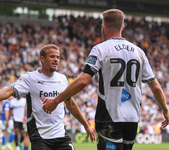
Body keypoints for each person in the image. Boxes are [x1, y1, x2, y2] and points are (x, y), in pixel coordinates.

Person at [42, 9, 169, 150]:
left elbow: (84, 80)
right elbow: (156, 87)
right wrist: (165, 110)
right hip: (132, 119)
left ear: (104, 26)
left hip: (109, 116)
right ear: (122, 27)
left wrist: (56, 100)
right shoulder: (139, 52)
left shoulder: (101, 49)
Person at [0, 44, 95, 150]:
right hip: (40, 136)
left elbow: (71, 104)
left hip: (61, 135)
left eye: (58, 57)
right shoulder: (30, 78)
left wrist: (86, 125)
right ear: (42, 58)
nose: (56, 59)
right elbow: (9, 91)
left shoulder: (62, 79)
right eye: (52, 56)